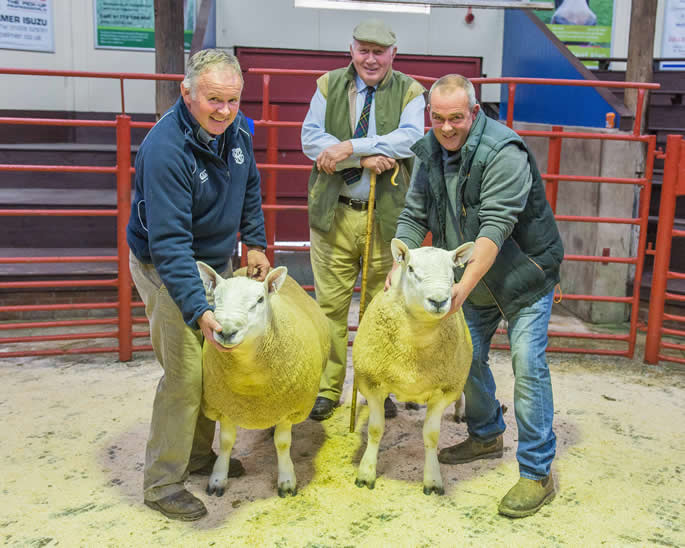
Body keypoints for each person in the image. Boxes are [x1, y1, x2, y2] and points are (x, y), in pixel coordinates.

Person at [392, 74, 564, 518]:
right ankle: (486, 434)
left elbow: (494, 228)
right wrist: (398, 263)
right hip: (471, 274)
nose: (446, 127)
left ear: (474, 111)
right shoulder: (429, 152)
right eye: (438, 118)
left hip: (524, 274)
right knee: (464, 358)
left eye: (456, 117)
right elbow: (413, 214)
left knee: (527, 364)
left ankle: (537, 472)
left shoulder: (503, 152)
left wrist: (460, 288)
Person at [126, 49, 270, 521]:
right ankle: (162, 483)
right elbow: (169, 244)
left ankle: (196, 455)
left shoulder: (237, 130)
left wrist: (254, 242)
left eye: (233, 100)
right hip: (167, 266)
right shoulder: (165, 150)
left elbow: (249, 185)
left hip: (213, 262)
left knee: (212, 365)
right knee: (186, 375)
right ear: (186, 92)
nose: (225, 111)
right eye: (213, 100)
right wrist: (198, 307)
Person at [301, 19, 426, 421]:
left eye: (379, 52)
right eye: (364, 50)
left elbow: (411, 138)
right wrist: (362, 159)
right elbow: (311, 139)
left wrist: (351, 147)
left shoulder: (411, 92)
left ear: (393, 54)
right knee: (330, 308)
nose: (371, 59)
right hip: (334, 213)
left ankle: (375, 386)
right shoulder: (328, 85)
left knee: (380, 309)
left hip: (385, 216)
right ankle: (327, 388)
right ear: (351, 50)